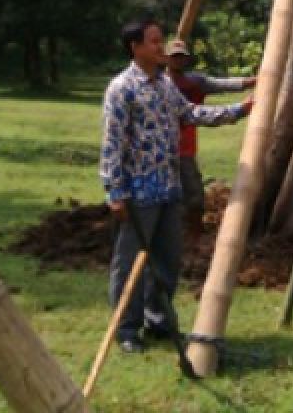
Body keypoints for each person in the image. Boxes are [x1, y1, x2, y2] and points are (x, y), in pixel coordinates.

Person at [100, 19, 252, 354]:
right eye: (154, 42)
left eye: (161, 41)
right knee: (130, 263)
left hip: (169, 189)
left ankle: (159, 321)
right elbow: (112, 144)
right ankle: (126, 329)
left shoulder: (165, 86)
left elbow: (192, 114)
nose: (162, 48)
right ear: (135, 47)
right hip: (137, 193)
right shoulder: (122, 88)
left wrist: (239, 110)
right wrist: (114, 192)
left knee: (167, 259)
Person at [164, 37, 256, 247]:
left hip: (185, 149)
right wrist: (239, 110)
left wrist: (257, 80)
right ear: (166, 59)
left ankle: (194, 236)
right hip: (160, 151)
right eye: (174, 57)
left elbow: (224, 84)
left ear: (186, 60)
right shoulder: (158, 85)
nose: (178, 61)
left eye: (181, 57)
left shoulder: (195, 82)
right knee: (166, 197)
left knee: (194, 194)